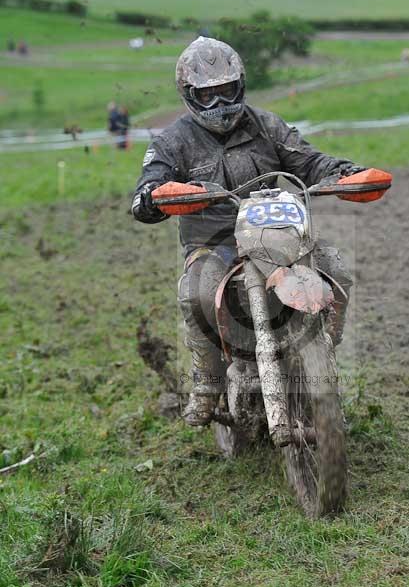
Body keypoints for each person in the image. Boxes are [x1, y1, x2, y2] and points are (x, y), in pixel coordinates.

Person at [132, 37, 359, 427]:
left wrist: (343, 172)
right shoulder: (172, 141)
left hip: (278, 237)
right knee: (196, 292)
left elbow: (309, 160)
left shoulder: (266, 124)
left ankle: (322, 352)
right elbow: (148, 188)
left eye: (226, 91)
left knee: (334, 268)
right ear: (190, 96)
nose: (220, 104)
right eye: (208, 95)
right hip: (214, 244)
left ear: (240, 85)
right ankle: (207, 383)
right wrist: (153, 197)